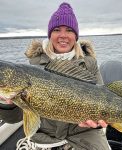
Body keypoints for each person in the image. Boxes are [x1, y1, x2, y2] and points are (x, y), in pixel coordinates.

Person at [0, 2, 111, 150]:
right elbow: (15, 119)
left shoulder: (89, 64)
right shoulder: (33, 68)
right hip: (45, 137)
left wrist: (98, 122)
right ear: (50, 34)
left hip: (85, 134)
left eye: (70, 30)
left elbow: (104, 99)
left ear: (76, 36)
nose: (63, 35)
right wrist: (7, 105)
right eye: (57, 29)